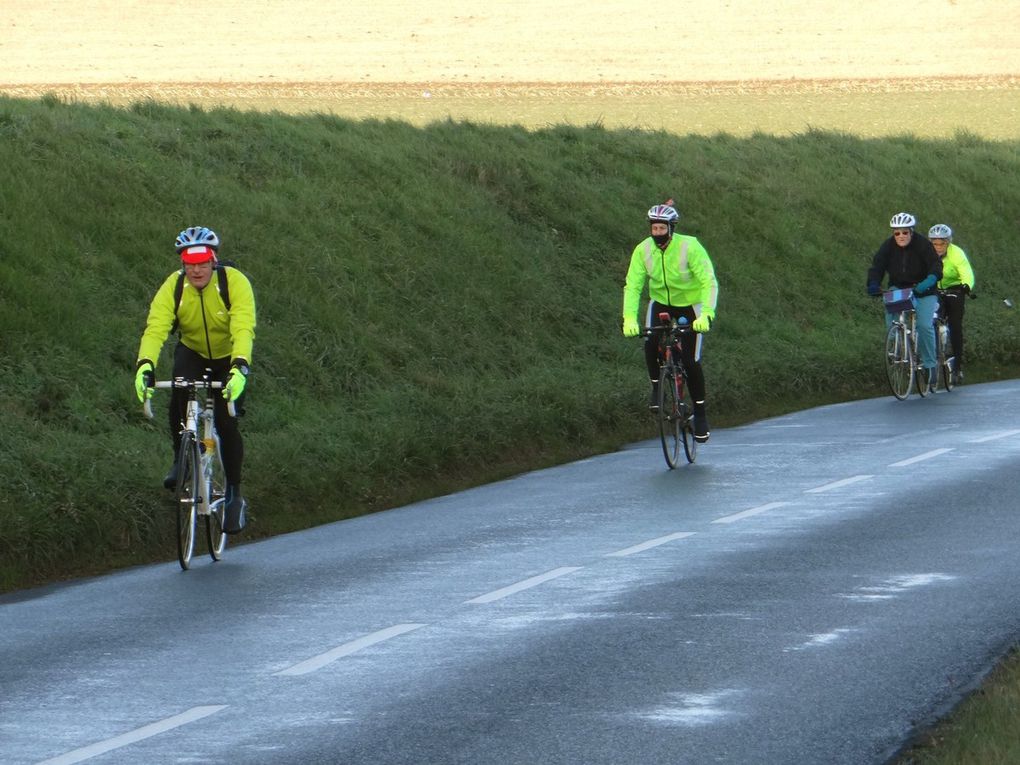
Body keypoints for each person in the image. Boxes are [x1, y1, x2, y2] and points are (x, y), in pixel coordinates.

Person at [134, 226, 256, 533]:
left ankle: (234, 494)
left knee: (227, 424)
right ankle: (182, 457)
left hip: (229, 356)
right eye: (190, 263)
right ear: (183, 264)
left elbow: (243, 327)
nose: (197, 269)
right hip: (193, 351)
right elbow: (156, 328)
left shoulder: (234, 282)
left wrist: (240, 367)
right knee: (179, 391)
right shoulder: (173, 287)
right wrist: (144, 365)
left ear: (214, 260)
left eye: (202, 262)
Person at [622, 200, 719, 443]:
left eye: (662, 229)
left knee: (689, 359)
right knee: (650, 339)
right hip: (661, 302)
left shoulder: (690, 247)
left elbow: (709, 281)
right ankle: (657, 388)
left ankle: (700, 413)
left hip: (691, 304)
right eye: (654, 229)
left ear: (671, 228)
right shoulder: (642, 250)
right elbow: (633, 286)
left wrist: (706, 314)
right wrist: (629, 319)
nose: (657, 234)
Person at [867, 212, 942, 391]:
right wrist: (873, 284)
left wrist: (928, 281)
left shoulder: (923, 244)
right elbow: (877, 266)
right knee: (890, 310)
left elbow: (936, 266)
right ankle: (895, 342)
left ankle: (930, 366)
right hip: (899, 287)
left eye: (905, 233)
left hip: (923, 290)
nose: (901, 236)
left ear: (911, 231)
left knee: (924, 325)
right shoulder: (888, 246)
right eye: (897, 233)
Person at [929, 223, 975, 385]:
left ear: (948, 242)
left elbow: (966, 272)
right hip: (935, 289)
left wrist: (966, 286)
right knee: (932, 319)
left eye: (942, 243)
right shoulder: (927, 253)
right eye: (935, 243)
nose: (938, 247)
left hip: (955, 290)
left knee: (955, 325)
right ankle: (931, 358)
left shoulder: (956, 253)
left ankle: (957, 367)